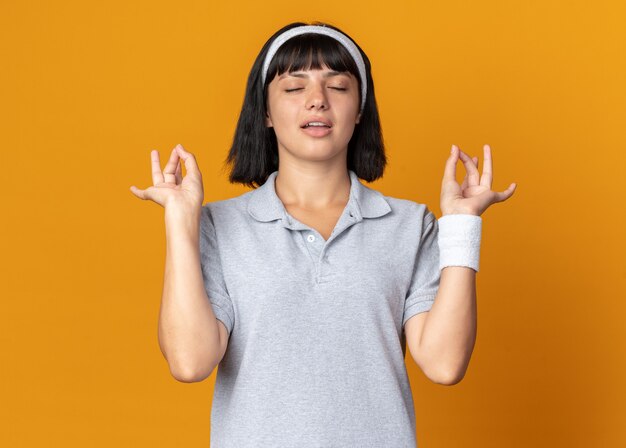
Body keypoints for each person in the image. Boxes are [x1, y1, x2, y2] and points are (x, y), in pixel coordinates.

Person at [130, 21, 516, 448]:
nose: (317, 101)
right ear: (265, 112)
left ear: (361, 109)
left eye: (338, 87)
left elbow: (445, 365)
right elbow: (189, 362)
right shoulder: (220, 227)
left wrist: (462, 225)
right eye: (294, 89)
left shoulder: (410, 226)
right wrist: (182, 223)